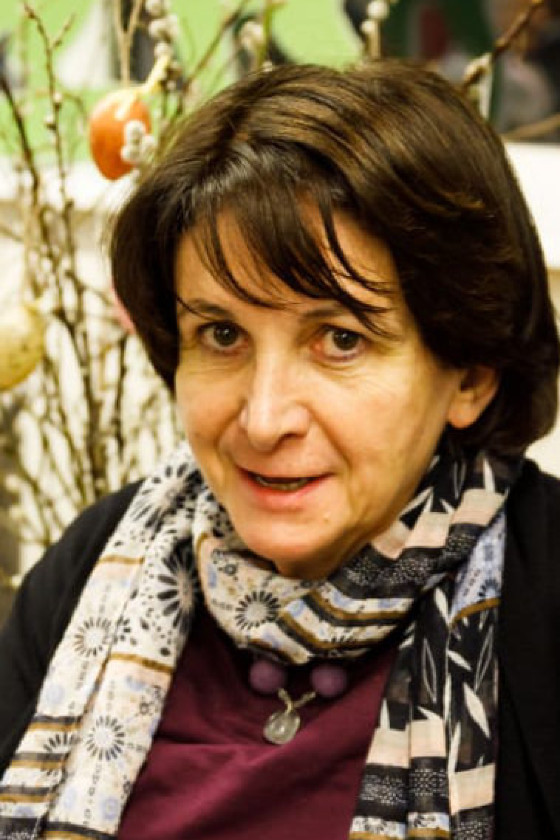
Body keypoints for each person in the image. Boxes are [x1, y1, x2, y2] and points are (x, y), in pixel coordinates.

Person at [0, 59, 559, 840]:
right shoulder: (91, 568)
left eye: (340, 339)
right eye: (221, 334)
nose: (263, 421)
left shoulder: (543, 599)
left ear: (468, 373)